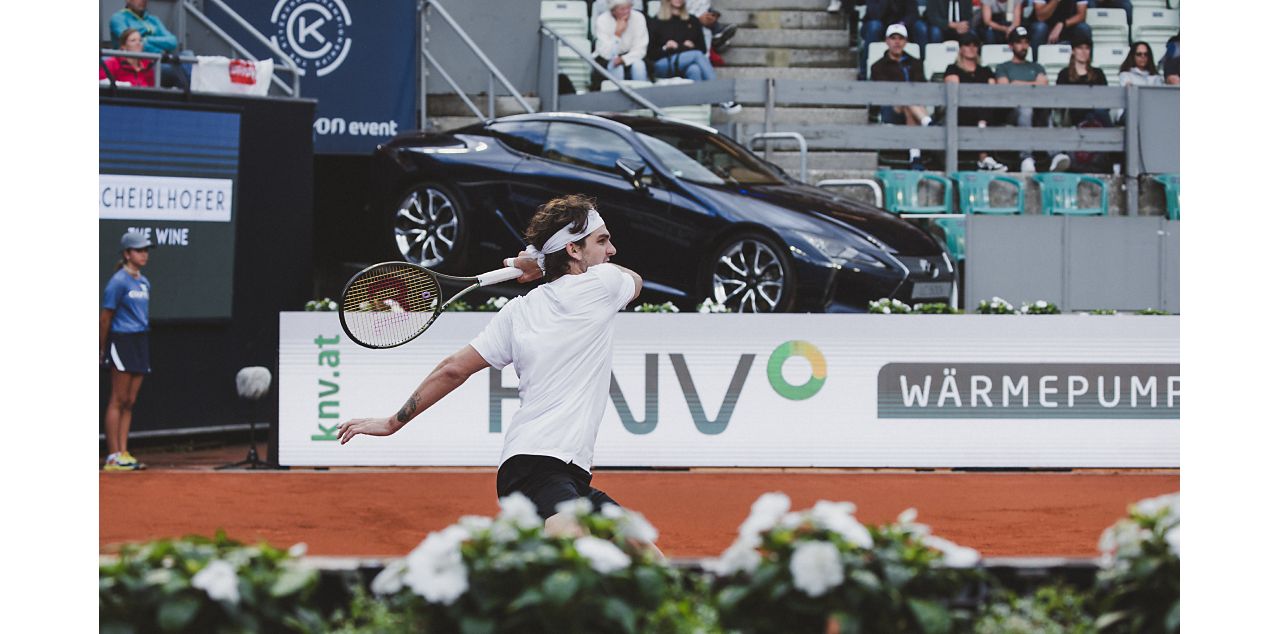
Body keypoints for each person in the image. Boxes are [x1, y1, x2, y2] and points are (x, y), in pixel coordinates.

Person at [338, 195, 652, 546]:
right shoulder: (604, 284)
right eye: (602, 240)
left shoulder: (517, 312)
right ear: (574, 251)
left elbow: (453, 369)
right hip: (538, 465)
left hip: (560, 469)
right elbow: (635, 280)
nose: (611, 250)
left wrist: (392, 422)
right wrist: (537, 261)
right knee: (571, 547)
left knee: (641, 548)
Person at [101, 231, 154, 472]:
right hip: (121, 341)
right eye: (139, 250)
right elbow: (105, 317)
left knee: (130, 401)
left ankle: (123, 452)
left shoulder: (144, 282)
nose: (144, 255)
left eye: (145, 250)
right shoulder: (118, 282)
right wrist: (100, 347)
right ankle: (112, 456)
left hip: (140, 341)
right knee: (118, 399)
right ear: (126, 254)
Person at [995, 26, 1069, 172]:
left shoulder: (1037, 66)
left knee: (1043, 109)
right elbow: (1004, 88)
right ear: (1011, 46)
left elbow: (1044, 84)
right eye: (1019, 42)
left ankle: (1055, 155)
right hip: (1012, 110)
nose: (1023, 46)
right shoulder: (1003, 67)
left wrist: (1017, 83)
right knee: (1025, 109)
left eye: (1026, 42)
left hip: (1038, 108)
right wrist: (1032, 85)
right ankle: (1026, 157)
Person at [647, 0, 740, 112]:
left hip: (686, 62)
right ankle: (722, 95)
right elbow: (651, 53)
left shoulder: (693, 20)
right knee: (696, 56)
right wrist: (666, 47)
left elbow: (702, 48)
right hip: (662, 64)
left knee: (694, 69)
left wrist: (683, 47)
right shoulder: (656, 21)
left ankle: (698, 108)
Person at [869, 23, 932, 170]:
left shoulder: (916, 63)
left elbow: (921, 85)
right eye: (893, 38)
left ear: (906, 42)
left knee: (909, 104)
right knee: (906, 98)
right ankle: (928, 123)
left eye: (900, 38)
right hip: (891, 108)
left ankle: (915, 156)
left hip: (914, 106)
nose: (897, 42)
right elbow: (886, 92)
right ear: (887, 41)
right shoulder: (877, 66)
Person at [944, 31, 1006, 171]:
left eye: (975, 45)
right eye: (967, 44)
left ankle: (984, 155)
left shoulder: (985, 70)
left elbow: (991, 91)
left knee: (988, 104)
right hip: (961, 110)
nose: (971, 48)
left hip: (984, 111)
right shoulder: (952, 68)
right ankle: (984, 157)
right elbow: (955, 91)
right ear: (961, 48)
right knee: (978, 106)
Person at [108, 0, 187, 89]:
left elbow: (172, 42)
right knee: (176, 71)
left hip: (160, 60)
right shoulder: (118, 18)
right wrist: (160, 47)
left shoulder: (153, 20)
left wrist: (146, 40)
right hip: (135, 64)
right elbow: (130, 43)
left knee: (187, 56)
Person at [860, 0, 927, 79]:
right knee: (874, 27)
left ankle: (922, 68)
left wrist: (902, 24)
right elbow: (874, 14)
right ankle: (864, 72)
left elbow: (913, 14)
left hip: (904, 25)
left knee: (920, 28)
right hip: (880, 23)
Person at [594, 0, 650, 82]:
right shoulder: (602, 20)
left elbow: (641, 48)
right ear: (613, 10)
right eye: (622, 9)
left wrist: (624, 59)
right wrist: (617, 34)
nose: (627, 11)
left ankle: (641, 92)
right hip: (607, 59)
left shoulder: (638, 17)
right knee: (616, 67)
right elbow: (606, 53)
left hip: (632, 56)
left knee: (639, 66)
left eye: (629, 7)